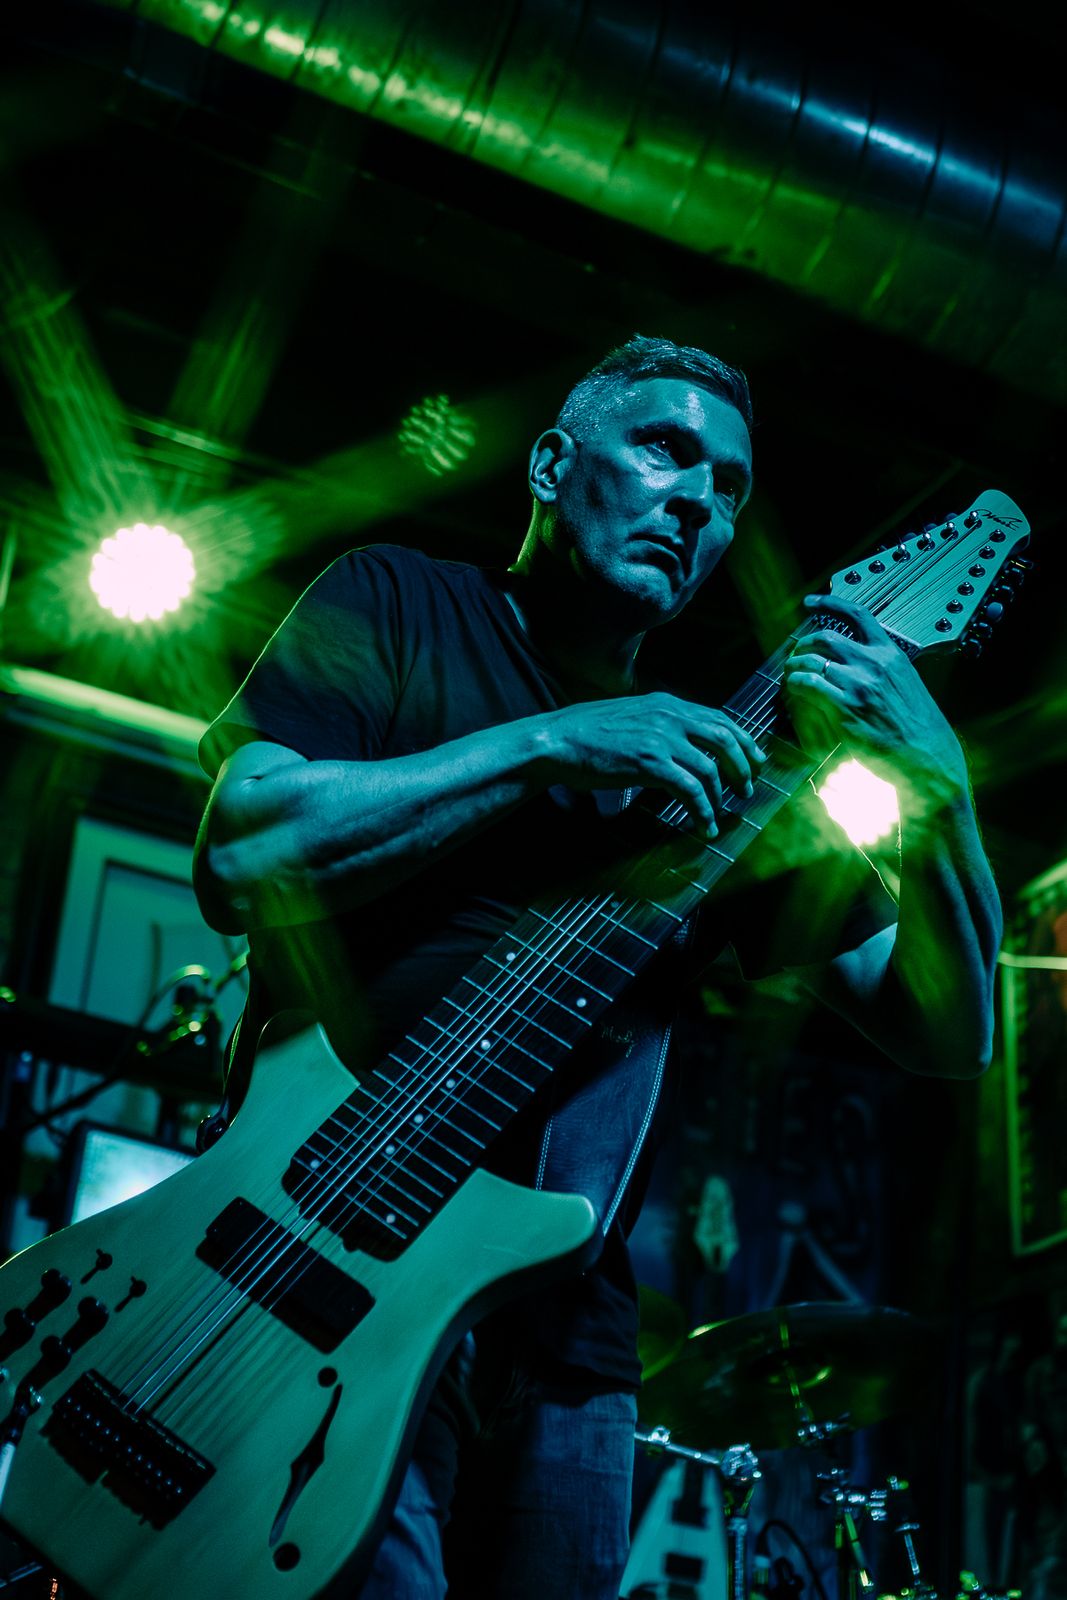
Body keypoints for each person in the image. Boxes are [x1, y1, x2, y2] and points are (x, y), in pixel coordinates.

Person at [192, 335, 1002, 1599]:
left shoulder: (720, 774)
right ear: (551, 465)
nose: (698, 506)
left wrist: (939, 795)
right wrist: (548, 744)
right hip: (309, 1262)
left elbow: (950, 1033)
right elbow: (243, 852)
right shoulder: (397, 599)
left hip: (564, 1348)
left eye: (728, 490)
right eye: (666, 451)